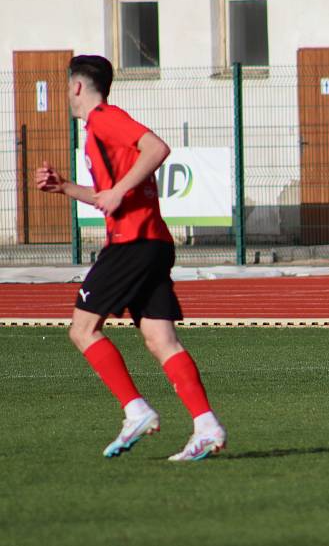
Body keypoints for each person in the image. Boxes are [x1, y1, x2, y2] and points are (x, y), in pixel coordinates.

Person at [35, 55, 226, 460]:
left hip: (132, 242)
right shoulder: (96, 130)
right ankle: (206, 425)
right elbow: (108, 197)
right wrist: (66, 188)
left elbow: (156, 148)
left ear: (77, 87)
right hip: (152, 242)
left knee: (82, 329)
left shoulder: (104, 118)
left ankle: (135, 409)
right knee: (160, 339)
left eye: (67, 84)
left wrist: (120, 190)